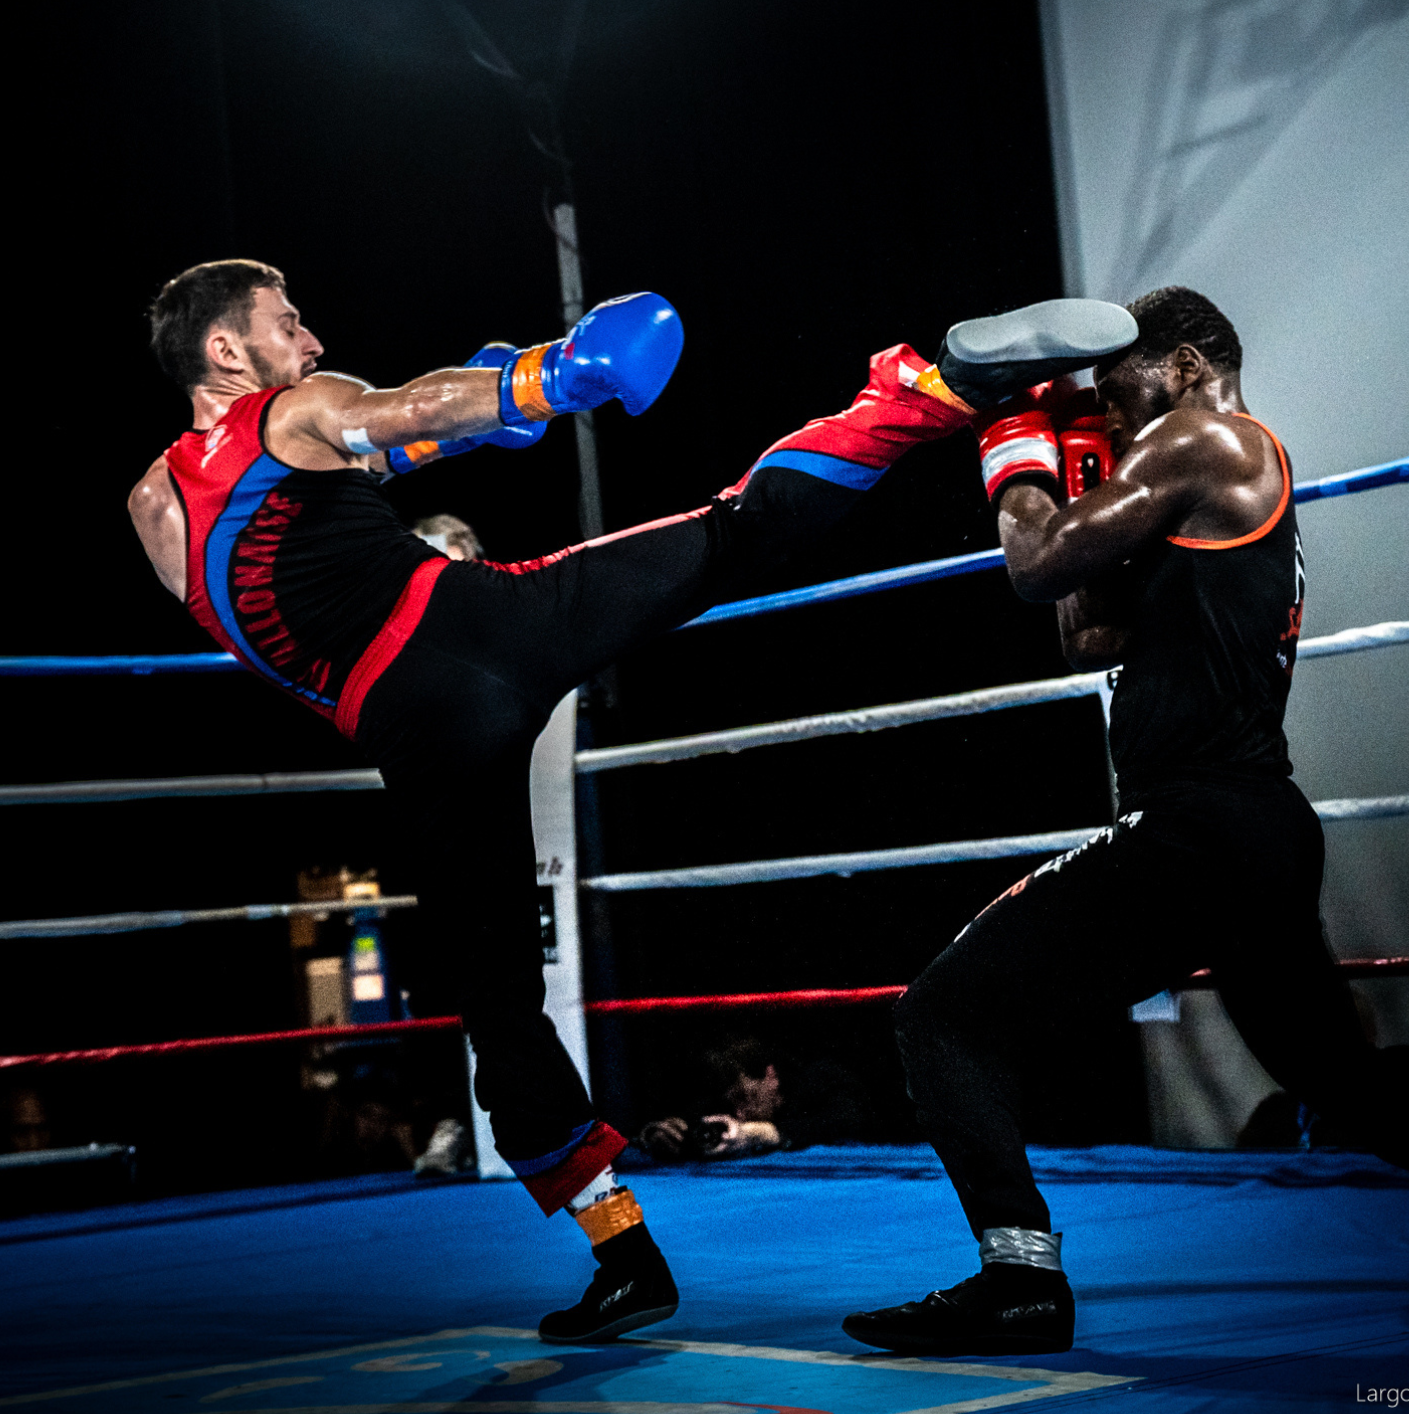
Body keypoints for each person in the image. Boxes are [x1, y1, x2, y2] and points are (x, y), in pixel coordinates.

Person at [127, 258, 1131, 1342]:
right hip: (484, 628)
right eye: (286, 323)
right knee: (731, 532)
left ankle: (623, 1257)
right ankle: (938, 390)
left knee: (499, 1007)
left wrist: (474, 414)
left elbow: (339, 491)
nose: (311, 341)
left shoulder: (155, 505)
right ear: (225, 350)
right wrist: (549, 377)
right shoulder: (293, 410)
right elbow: (398, 411)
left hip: (413, 735)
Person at [843, 286, 1409, 1357]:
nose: (1105, 400)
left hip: (1196, 828)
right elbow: (1084, 634)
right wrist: (1073, 465)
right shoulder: (1204, 475)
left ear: (1185, 365)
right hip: (1249, 829)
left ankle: (1019, 1280)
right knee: (1339, 1079)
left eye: (1117, 378)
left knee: (941, 1015)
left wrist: (1013, 446)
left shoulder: (1204, 440)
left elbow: (1033, 564)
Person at [638, 1037, 872, 1160]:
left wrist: (765, 1133)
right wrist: (661, 1134)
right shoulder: (729, 1102)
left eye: (744, 1097)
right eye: (733, 1103)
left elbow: (850, 1119)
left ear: (770, 1076)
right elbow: (692, 1115)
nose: (740, 1114)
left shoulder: (819, 1080)